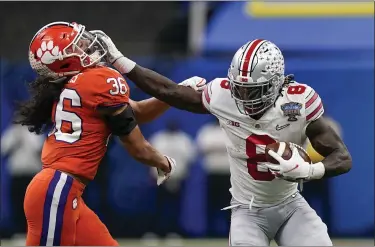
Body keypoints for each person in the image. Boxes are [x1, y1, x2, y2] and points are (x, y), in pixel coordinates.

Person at [96, 34, 352, 246]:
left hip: (290, 204)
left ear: (275, 84)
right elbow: (169, 92)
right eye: (239, 88)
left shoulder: (299, 102)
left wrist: (309, 170)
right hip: (247, 210)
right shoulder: (223, 95)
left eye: (252, 90)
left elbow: (342, 157)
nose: (242, 96)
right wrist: (120, 61)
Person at [15, 21, 206, 246]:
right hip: (58, 190)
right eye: (79, 45)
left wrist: (177, 91)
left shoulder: (76, 86)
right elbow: (138, 148)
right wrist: (163, 161)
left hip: (62, 190)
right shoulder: (98, 81)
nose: (88, 45)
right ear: (65, 60)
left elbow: (139, 113)